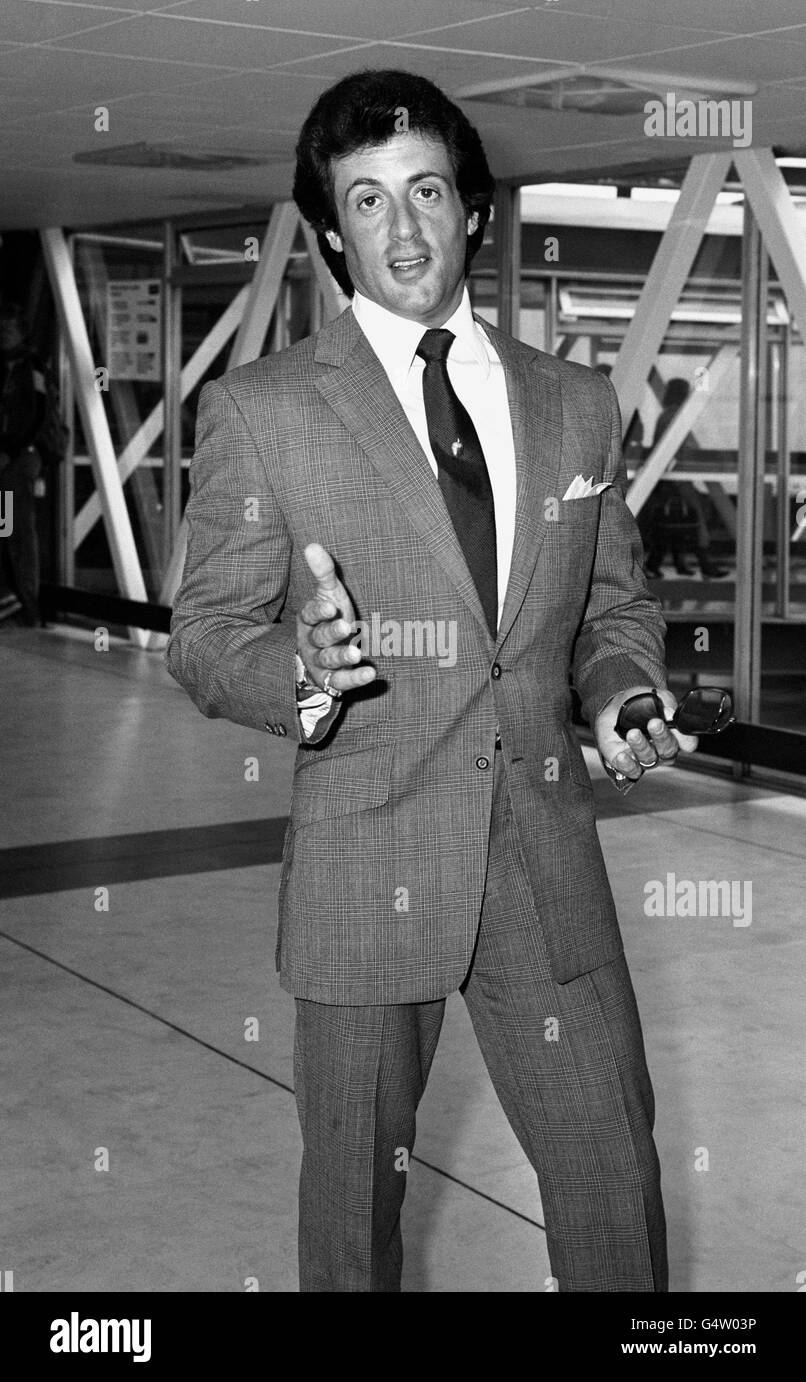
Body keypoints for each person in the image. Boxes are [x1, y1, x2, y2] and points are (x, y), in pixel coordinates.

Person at [166, 69, 699, 1293]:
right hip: (365, 873)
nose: (401, 231)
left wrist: (621, 689)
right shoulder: (265, 412)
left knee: (614, 1190)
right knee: (353, 1219)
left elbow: (609, 607)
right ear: (328, 232)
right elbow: (203, 632)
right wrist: (299, 670)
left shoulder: (572, 405)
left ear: (474, 210)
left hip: (543, 868)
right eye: (365, 201)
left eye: (424, 192)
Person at [641, 378, 728, 579]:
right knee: (695, 519)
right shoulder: (675, 417)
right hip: (677, 480)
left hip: (669, 479)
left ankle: (664, 563)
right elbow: (678, 448)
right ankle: (703, 564)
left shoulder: (665, 416)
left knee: (671, 523)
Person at [0, 303, 46, 625]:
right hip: (8, 458)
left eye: (9, 328)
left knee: (15, 529)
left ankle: (27, 602)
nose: (4, 333)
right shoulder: (6, 367)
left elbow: (37, 413)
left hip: (18, 460)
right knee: (6, 527)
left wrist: (10, 450)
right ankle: (11, 597)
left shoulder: (32, 368)